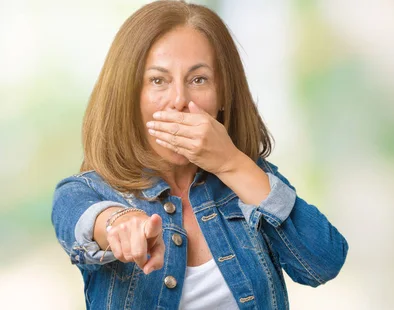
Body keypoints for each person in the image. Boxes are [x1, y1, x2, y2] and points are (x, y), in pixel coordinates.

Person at [51, 1, 348, 309]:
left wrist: (231, 163)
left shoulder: (249, 176)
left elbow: (323, 263)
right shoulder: (83, 191)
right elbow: (84, 219)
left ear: (221, 94)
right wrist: (120, 222)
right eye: (158, 80)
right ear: (130, 97)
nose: (179, 100)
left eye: (198, 79)